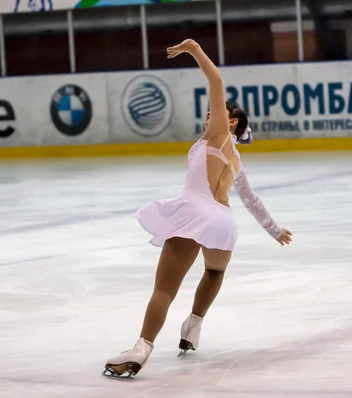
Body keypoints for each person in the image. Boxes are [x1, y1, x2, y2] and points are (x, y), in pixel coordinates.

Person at [102, 39, 292, 379]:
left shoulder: (218, 134)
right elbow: (250, 199)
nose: (211, 114)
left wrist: (194, 49)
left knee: (164, 289)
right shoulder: (236, 159)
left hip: (196, 213)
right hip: (224, 223)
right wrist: (274, 230)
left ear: (232, 123)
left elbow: (216, 82)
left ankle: (141, 348)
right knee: (215, 272)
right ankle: (193, 325)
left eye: (219, 113)